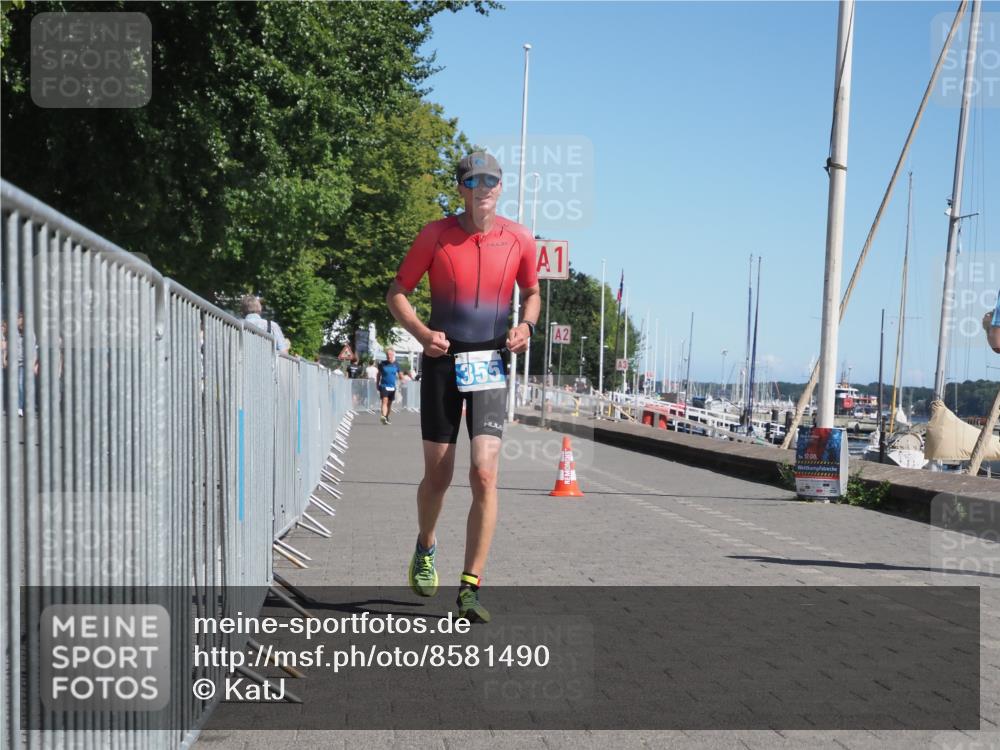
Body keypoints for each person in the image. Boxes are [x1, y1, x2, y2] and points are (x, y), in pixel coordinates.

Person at [386, 151, 540, 623]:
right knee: (439, 476)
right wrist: (421, 335)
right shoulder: (436, 235)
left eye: (493, 180)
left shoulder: (519, 238)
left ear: (500, 187)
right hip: (443, 360)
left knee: (485, 473)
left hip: (491, 361)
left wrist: (527, 328)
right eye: (476, 181)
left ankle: (470, 585)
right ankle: (426, 544)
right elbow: (396, 292)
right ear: (463, 189)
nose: (486, 188)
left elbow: (532, 293)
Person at [376, 349, 404, 425]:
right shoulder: (382, 364)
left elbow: (400, 374)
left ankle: (386, 417)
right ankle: (383, 416)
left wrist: (402, 378)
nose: (389, 356)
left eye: (390, 354)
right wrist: (377, 384)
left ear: (393, 355)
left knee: (389, 404)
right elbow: (378, 375)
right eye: (387, 354)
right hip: (384, 386)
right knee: (384, 401)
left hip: (392, 387)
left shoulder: (396, 364)